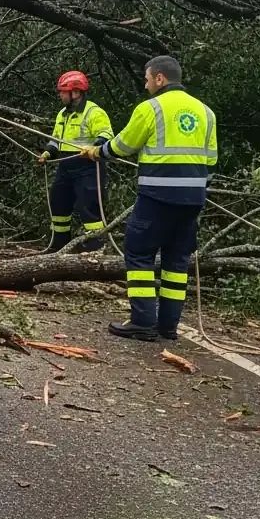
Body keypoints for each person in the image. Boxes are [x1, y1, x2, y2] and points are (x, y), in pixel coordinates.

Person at [81, 55, 217, 341]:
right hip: (193, 200)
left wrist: (97, 152)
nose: (145, 86)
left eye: (147, 79)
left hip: (157, 197)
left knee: (139, 253)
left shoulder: (151, 108)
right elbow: (212, 160)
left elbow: (124, 145)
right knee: (177, 263)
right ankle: (168, 327)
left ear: (159, 78)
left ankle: (143, 322)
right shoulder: (206, 112)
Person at [37, 70, 113, 252]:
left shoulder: (94, 112)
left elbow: (106, 135)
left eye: (63, 91)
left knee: (89, 207)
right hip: (65, 165)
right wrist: (47, 153)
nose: (60, 95)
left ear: (76, 93)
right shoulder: (62, 114)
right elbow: (56, 139)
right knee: (59, 203)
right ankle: (59, 246)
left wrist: (94, 147)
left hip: (88, 166)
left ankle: (95, 249)